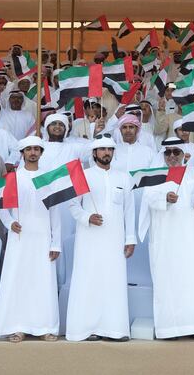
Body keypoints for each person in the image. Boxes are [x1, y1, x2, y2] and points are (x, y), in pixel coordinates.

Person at [140, 137, 194, 340]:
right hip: (166, 238)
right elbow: (147, 199)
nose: (172, 156)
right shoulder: (155, 174)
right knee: (169, 279)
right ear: (163, 154)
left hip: (191, 237)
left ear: (183, 154)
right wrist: (163, 199)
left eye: (176, 152)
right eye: (168, 152)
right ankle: (169, 328)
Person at [65, 136, 136, 342]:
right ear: (94, 153)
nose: (106, 153)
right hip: (89, 238)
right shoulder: (83, 176)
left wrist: (130, 238)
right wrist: (87, 217)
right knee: (89, 279)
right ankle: (87, 328)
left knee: (114, 280)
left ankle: (115, 329)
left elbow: (129, 210)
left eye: (110, 149)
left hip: (115, 239)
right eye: (102, 149)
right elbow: (73, 206)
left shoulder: (124, 178)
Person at [0, 136, 61, 342]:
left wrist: (55, 241)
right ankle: (17, 326)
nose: (32, 152)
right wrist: (9, 223)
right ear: (22, 153)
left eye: (36, 149)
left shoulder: (48, 178)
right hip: (19, 236)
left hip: (42, 237)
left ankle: (45, 326)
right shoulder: (12, 178)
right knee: (18, 279)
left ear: (41, 153)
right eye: (28, 149)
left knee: (43, 280)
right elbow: (2, 206)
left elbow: (55, 212)